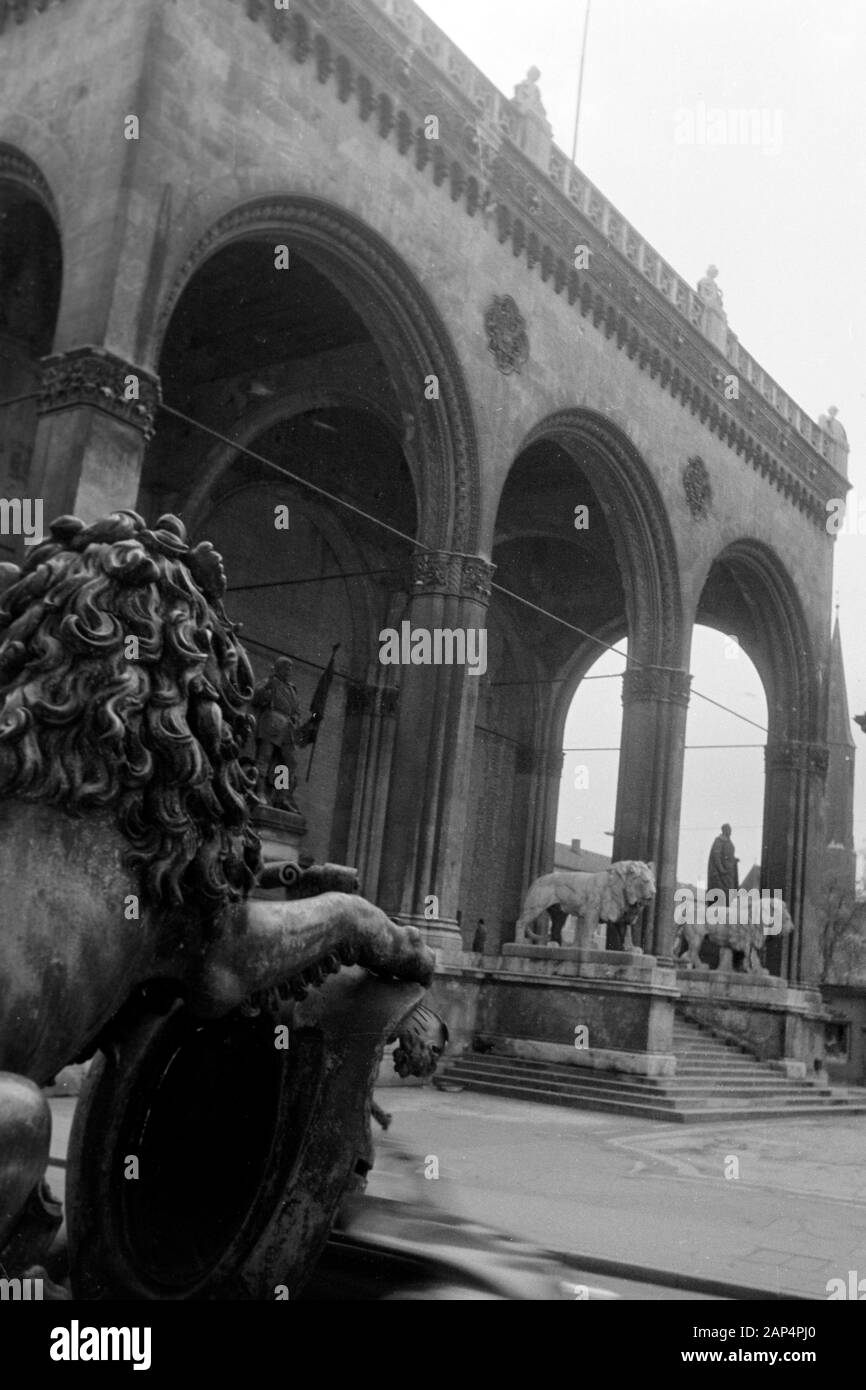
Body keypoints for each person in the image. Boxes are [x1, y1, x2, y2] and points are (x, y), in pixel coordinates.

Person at [252, 657, 309, 814]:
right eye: (286, 667)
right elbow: (257, 696)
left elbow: (296, 710)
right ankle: (260, 792)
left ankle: (281, 797)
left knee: (286, 763)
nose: (289, 671)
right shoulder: (270, 682)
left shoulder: (291, 689)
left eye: (290, 668)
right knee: (265, 758)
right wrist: (267, 686)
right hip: (271, 722)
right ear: (278, 668)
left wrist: (296, 720)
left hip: (287, 728)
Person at [707, 823, 739, 896]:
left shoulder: (729, 842)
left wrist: (734, 859)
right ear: (725, 830)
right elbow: (716, 856)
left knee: (728, 893)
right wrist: (721, 869)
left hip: (729, 872)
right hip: (721, 874)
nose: (730, 832)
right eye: (729, 830)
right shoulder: (719, 841)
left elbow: (729, 855)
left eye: (730, 830)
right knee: (722, 893)